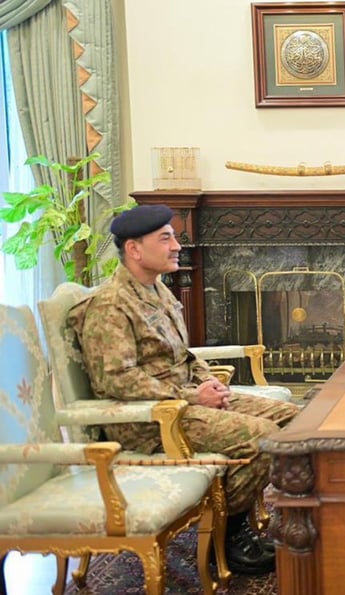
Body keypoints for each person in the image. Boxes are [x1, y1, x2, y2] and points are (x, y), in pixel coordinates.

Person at [68, 204, 300, 575]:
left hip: (185, 401)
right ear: (134, 249)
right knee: (264, 438)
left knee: (298, 423)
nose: (177, 245)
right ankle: (226, 539)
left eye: (174, 237)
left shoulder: (158, 290)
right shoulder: (110, 305)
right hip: (149, 420)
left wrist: (206, 380)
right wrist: (194, 396)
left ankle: (247, 520)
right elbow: (116, 379)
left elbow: (184, 356)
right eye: (165, 239)